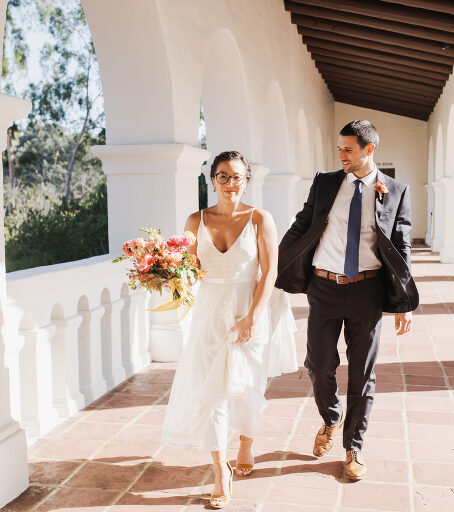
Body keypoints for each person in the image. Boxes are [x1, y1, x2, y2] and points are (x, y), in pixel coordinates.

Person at [275, 121, 419, 481]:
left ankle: (354, 446)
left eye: (348, 149)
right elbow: (302, 224)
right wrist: (276, 263)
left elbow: (400, 246)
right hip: (323, 287)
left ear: (369, 150)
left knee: (362, 373)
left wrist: (404, 302)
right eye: (339, 148)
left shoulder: (396, 190)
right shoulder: (325, 182)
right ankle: (331, 417)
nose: (341, 155)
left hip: (367, 291)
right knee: (318, 365)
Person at [162, 151, 297, 508]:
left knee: (247, 387)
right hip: (209, 314)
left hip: (249, 309)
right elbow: (189, 269)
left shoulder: (260, 219)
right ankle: (220, 469)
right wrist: (165, 273)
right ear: (212, 181)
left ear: (246, 181)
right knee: (212, 391)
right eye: (223, 176)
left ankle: (246, 441)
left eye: (237, 176)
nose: (230, 183)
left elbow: (269, 272)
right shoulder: (196, 220)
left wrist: (252, 317)